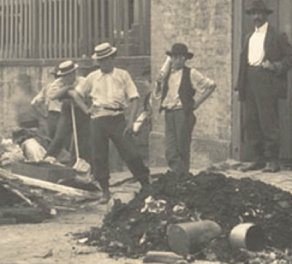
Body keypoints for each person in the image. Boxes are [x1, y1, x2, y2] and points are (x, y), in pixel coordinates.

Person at [75, 42, 151, 202]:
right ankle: (105, 191)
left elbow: (135, 98)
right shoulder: (92, 77)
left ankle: (146, 184)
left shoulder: (123, 75)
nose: (104, 63)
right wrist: (86, 109)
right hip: (98, 119)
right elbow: (77, 94)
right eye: (101, 60)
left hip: (118, 118)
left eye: (107, 59)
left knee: (130, 152)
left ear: (112, 59)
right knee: (99, 155)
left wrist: (131, 122)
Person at [235, 0, 292, 173]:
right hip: (249, 80)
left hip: (266, 80)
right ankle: (258, 159)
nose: (256, 16)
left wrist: (275, 66)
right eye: (253, 13)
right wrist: (240, 85)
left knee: (268, 121)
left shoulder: (276, 35)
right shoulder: (249, 37)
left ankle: (272, 160)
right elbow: (243, 63)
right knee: (251, 121)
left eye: (260, 13)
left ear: (266, 15)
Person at [152, 43, 217, 177]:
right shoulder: (167, 74)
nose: (177, 60)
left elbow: (211, 85)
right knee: (170, 150)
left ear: (184, 59)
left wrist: (196, 103)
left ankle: (181, 178)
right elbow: (157, 95)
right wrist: (158, 83)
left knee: (182, 148)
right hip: (169, 113)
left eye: (180, 57)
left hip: (183, 113)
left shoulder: (191, 73)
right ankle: (181, 176)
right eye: (174, 57)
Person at [33, 60, 90, 165]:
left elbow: (77, 94)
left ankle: (78, 164)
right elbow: (53, 95)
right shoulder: (58, 82)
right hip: (67, 109)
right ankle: (46, 161)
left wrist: (66, 92)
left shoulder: (83, 81)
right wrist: (67, 88)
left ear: (74, 73)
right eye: (64, 76)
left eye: (68, 75)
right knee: (60, 136)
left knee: (81, 139)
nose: (66, 78)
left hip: (82, 111)